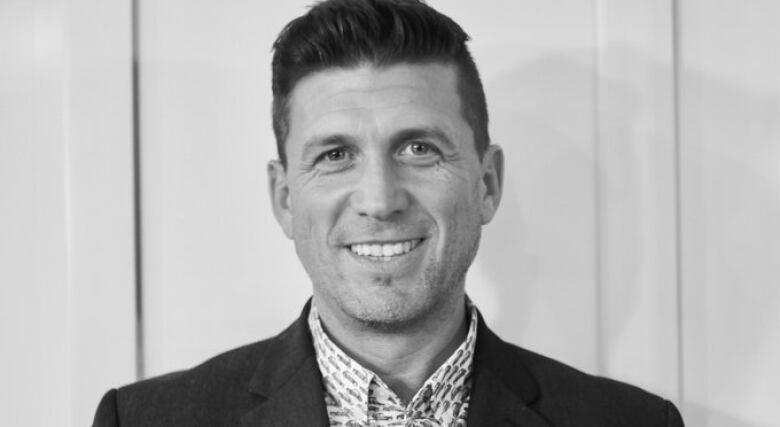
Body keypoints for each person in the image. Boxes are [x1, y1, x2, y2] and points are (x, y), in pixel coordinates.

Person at [93, 0, 684, 425]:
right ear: (284, 198)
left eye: (419, 148)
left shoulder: (630, 421)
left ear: (487, 183)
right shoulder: (147, 420)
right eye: (335, 154)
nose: (379, 200)